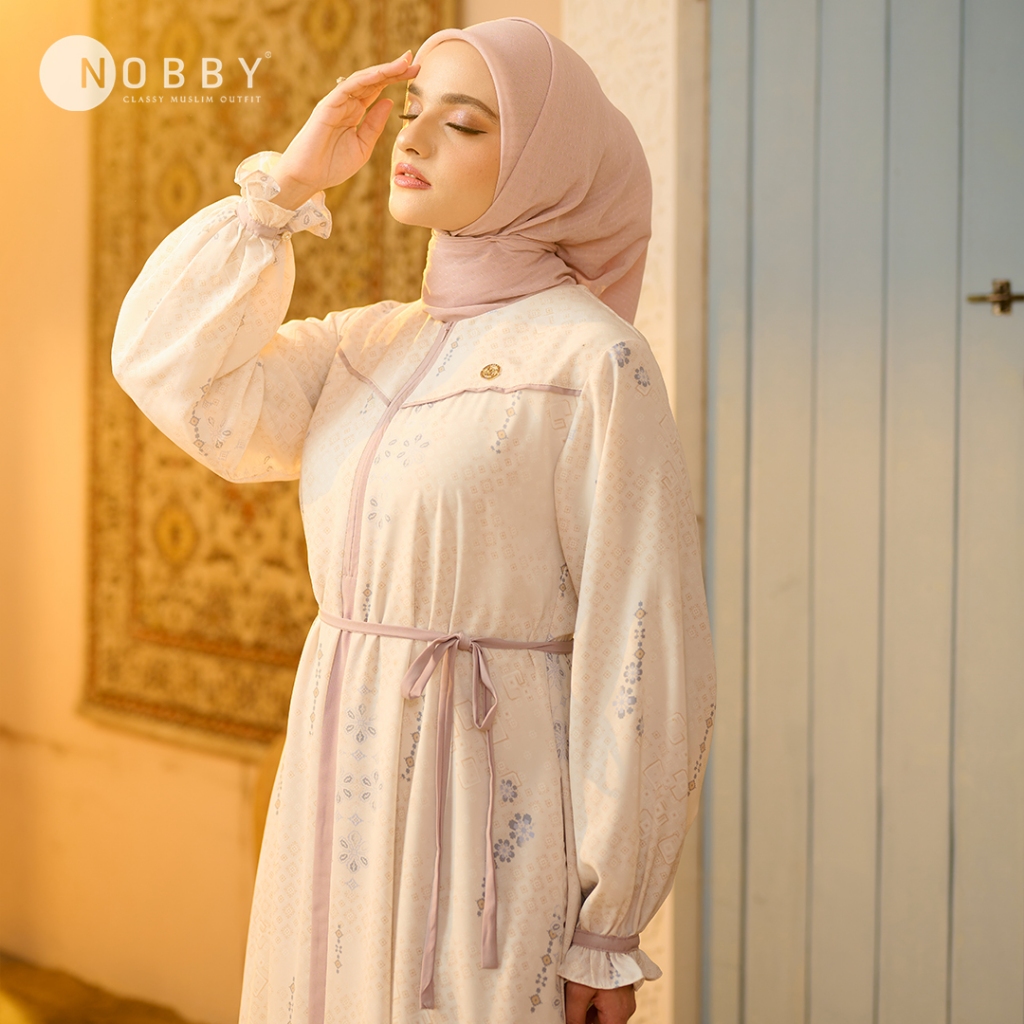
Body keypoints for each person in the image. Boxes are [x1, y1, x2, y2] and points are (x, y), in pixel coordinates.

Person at [111, 17, 716, 1024]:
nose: (416, 139)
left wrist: (610, 925)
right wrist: (284, 190)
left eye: (464, 123)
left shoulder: (594, 362)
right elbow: (167, 365)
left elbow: (643, 643)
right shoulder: (366, 346)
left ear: (543, 161)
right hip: (331, 795)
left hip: (488, 814)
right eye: (409, 111)